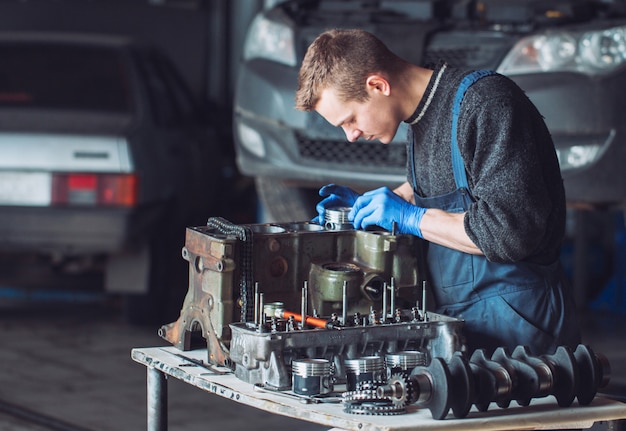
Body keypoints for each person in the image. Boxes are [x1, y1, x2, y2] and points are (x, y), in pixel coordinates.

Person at [295, 28, 581, 356]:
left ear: (377, 85)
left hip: (523, 325)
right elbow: (450, 192)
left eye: (350, 120)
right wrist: (378, 204)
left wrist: (408, 217)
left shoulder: (486, 105)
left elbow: (508, 233)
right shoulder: (421, 120)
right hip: (465, 323)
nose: (351, 135)